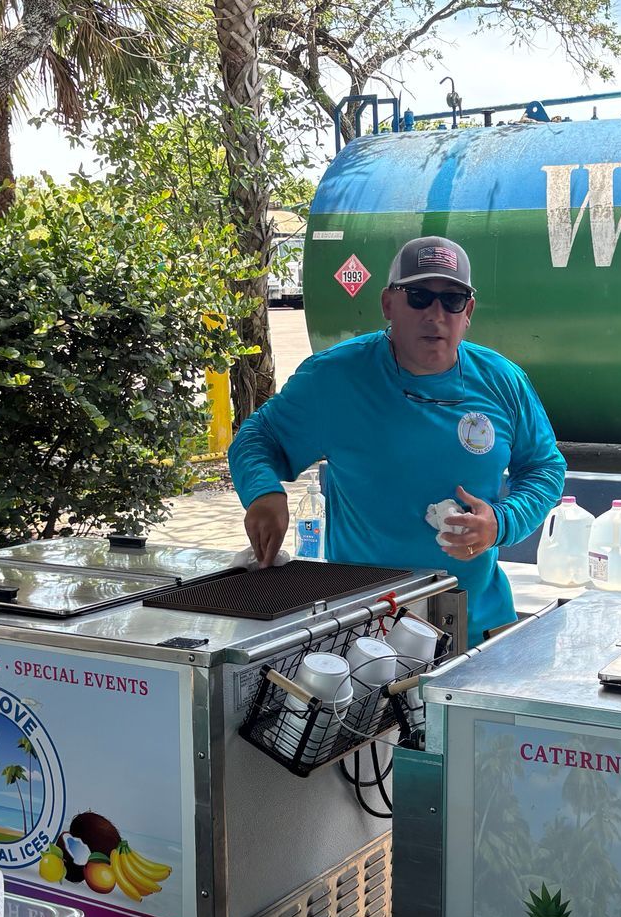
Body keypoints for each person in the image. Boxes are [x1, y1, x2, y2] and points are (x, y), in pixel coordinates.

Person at [229, 235, 565, 643]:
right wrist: (264, 493)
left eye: (452, 300)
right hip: (366, 630)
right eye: (419, 297)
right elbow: (258, 437)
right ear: (388, 304)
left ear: (468, 311)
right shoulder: (335, 378)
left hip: (478, 625)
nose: (435, 314)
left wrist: (501, 522)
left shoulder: (502, 380)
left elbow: (544, 468)